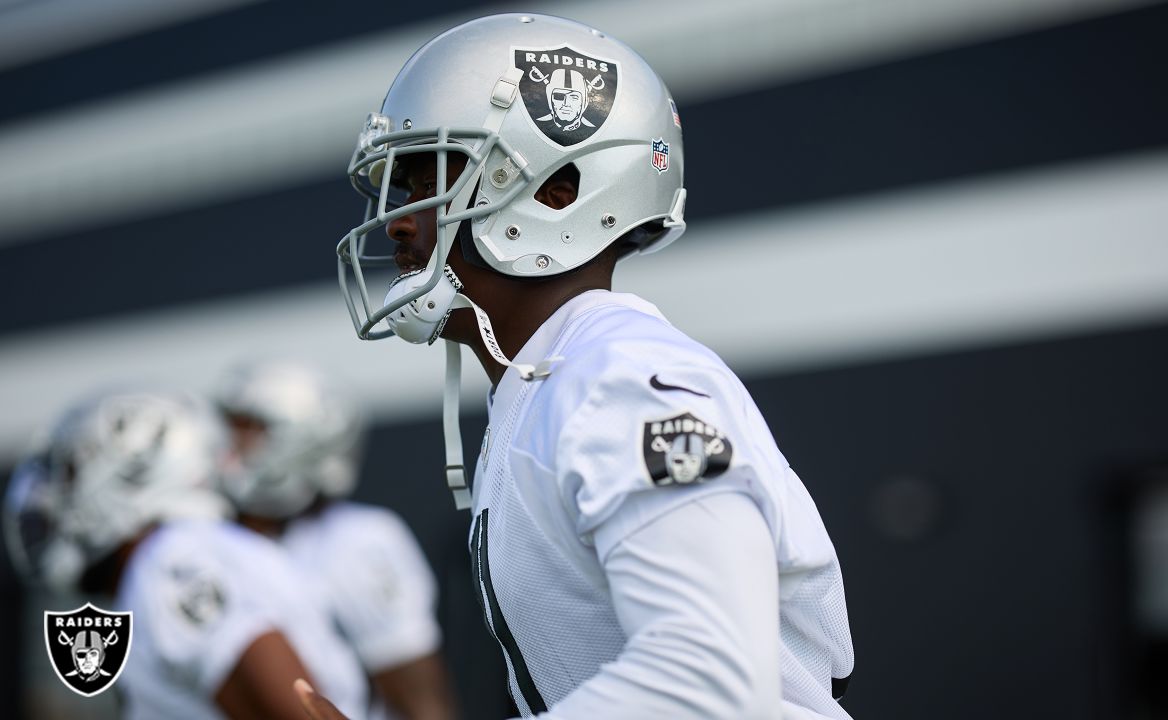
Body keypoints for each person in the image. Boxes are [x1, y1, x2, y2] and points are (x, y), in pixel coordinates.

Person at [314, 12, 854, 720]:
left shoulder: (619, 383)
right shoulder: (553, 380)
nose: (399, 221)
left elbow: (709, 685)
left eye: (427, 178)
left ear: (556, 192)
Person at [4, 390, 368, 719]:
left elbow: (292, 701)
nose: (53, 496)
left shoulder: (168, 563)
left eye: (71, 472)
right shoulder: (192, 550)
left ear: (136, 469)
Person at [214, 360, 456, 720]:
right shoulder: (212, 537)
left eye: (252, 430)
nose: (232, 448)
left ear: (302, 438)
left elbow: (421, 700)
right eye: (233, 428)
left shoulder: (356, 541)